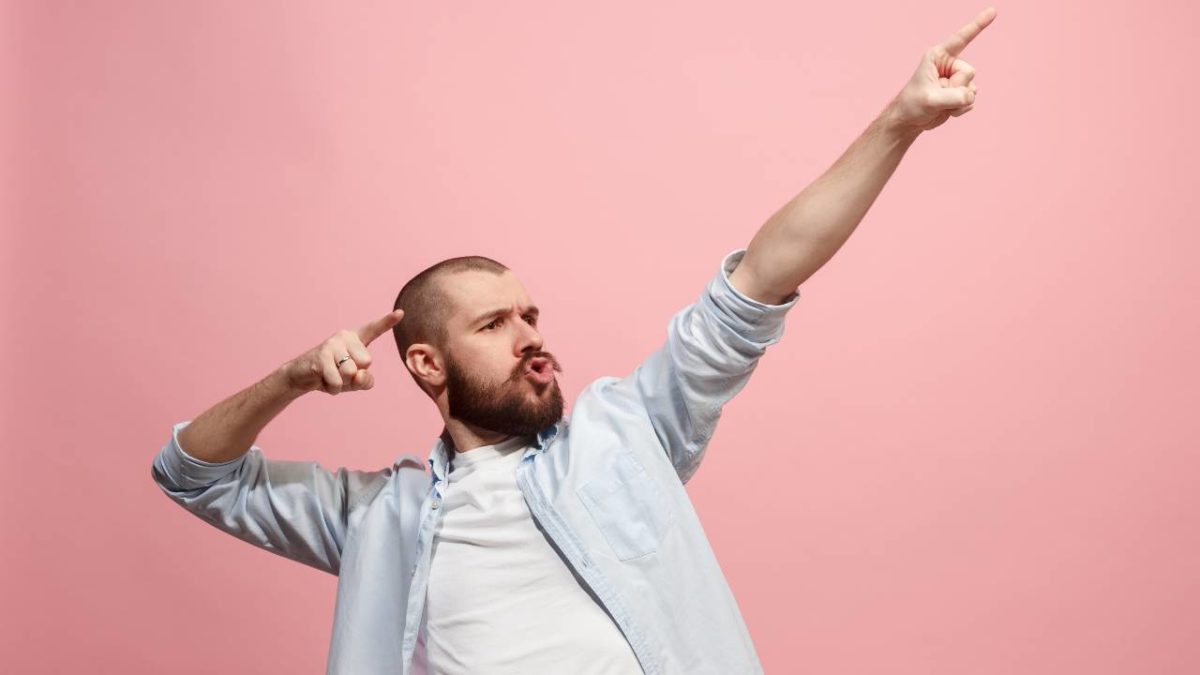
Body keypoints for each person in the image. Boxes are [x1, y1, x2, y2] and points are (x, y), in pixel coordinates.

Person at [150, 9, 995, 674]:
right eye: (494, 324)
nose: (530, 339)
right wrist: (293, 378)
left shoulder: (625, 434)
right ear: (424, 363)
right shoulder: (374, 519)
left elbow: (756, 283)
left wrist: (900, 122)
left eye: (532, 317)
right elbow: (192, 473)